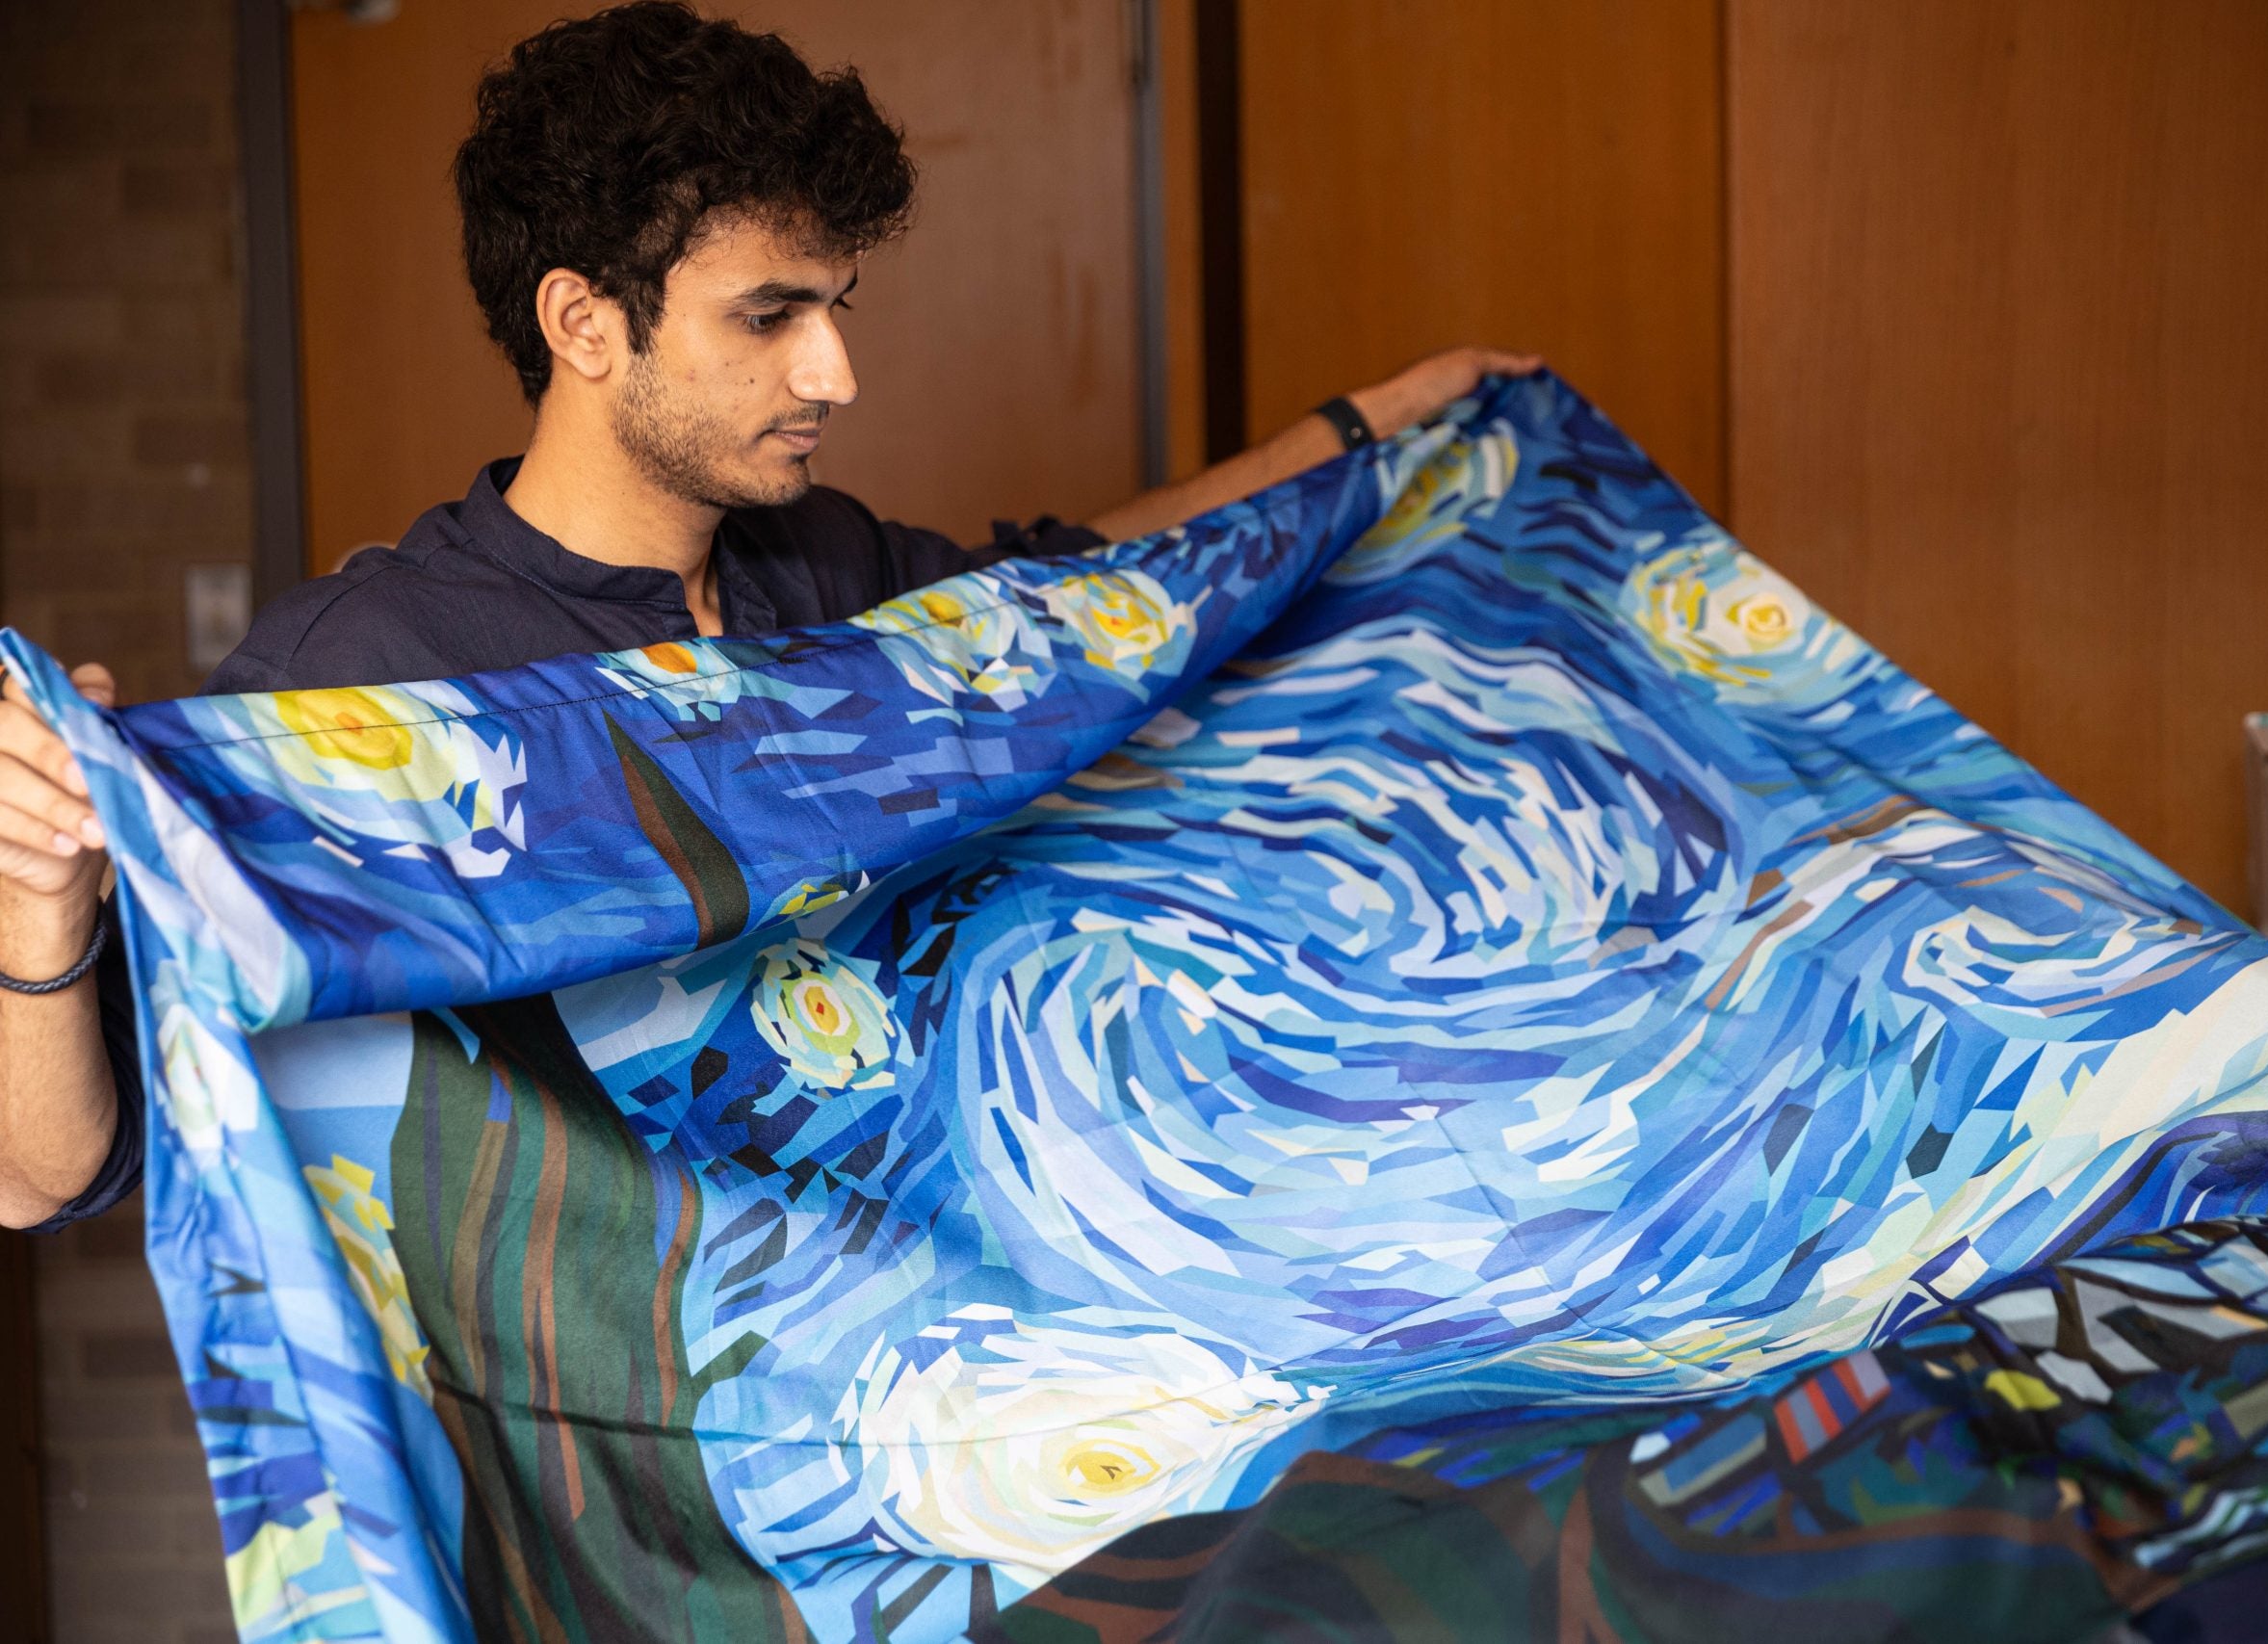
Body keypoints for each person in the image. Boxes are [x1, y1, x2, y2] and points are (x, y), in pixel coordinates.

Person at [0, 1, 1537, 1232]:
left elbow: (1085, 595)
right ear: (584, 322)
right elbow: (51, 1173)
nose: (833, 376)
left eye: (834, 312)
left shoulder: (827, 575)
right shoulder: (361, 675)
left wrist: (1363, 437)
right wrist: (46, 915)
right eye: (768, 318)